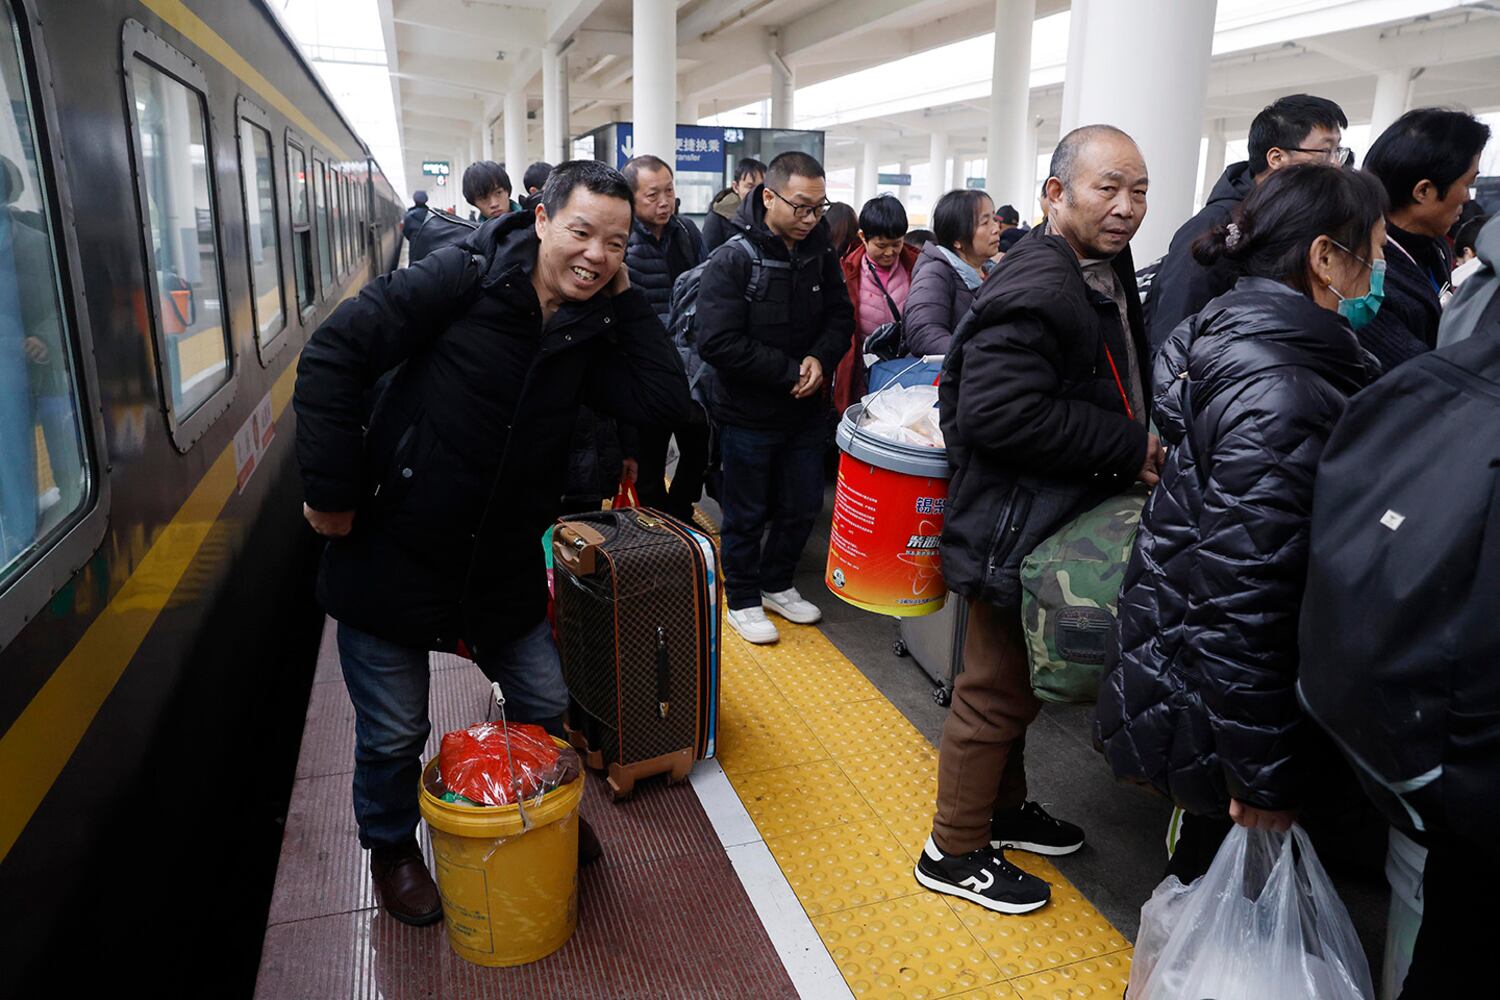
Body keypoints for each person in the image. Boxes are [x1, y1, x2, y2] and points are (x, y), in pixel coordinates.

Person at [293, 160, 694, 927]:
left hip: (502, 556)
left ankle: (534, 808)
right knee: (393, 732)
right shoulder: (462, 277)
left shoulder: (592, 321)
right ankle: (391, 850)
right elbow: (333, 354)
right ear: (541, 217)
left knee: (544, 703)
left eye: (615, 243)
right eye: (582, 232)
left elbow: (663, 399)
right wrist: (332, 493)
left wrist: (629, 299)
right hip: (395, 547)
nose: (597, 255)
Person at [1096, 163, 1386, 884]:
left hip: (1191, 676)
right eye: (1372, 253)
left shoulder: (1228, 343)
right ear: (1323, 258)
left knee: (1207, 880)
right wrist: (1262, 774)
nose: (1378, 272)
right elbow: (1245, 599)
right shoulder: (1282, 394)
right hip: (1229, 702)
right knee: (1223, 896)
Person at [916, 125, 1156, 914]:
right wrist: (1128, 446)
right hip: (1013, 526)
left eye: (1140, 190)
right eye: (1107, 188)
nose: (1126, 207)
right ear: (1056, 195)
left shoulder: (1098, 267)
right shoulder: (1040, 285)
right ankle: (952, 849)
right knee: (990, 693)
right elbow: (996, 413)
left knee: (1015, 689)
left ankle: (1003, 812)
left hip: (1050, 516)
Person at [695, 150, 853, 644]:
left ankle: (776, 582)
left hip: (806, 411)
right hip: (747, 413)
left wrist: (819, 360)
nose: (811, 218)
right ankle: (742, 597)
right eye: (801, 207)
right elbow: (716, 341)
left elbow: (841, 317)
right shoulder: (732, 258)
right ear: (769, 197)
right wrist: (788, 371)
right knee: (745, 512)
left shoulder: (820, 252)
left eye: (819, 208)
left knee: (802, 503)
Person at [1149, 94, 1348, 352]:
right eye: (1325, 151)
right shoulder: (1213, 226)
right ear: (1276, 158)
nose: (1335, 164)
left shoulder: (1297, 224)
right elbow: (1171, 339)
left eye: (1338, 152)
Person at [1359, 108, 1491, 375]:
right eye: (1467, 184)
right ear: (1423, 191)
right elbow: (1421, 377)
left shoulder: (1435, 247)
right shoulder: (1365, 280)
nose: (1467, 198)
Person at [621, 153, 709, 520]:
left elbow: (708, 287)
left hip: (690, 366)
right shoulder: (621, 239)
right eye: (652, 194)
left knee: (698, 443)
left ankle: (682, 511)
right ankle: (655, 519)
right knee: (650, 454)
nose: (664, 202)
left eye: (669, 191)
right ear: (631, 198)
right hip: (646, 370)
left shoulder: (687, 232)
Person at [834, 193, 920, 413]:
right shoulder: (847, 272)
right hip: (861, 372)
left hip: (907, 371)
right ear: (863, 237)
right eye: (881, 245)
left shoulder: (918, 267)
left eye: (897, 244)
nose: (890, 252)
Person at [904, 189, 999, 356]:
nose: (996, 228)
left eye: (994, 218)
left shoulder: (993, 272)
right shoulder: (934, 274)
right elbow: (924, 335)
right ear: (957, 240)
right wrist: (981, 358)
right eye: (985, 223)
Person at [704, 157, 766, 251]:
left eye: (762, 187)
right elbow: (708, 257)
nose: (757, 192)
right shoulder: (718, 216)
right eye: (750, 187)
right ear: (736, 187)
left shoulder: (772, 215)